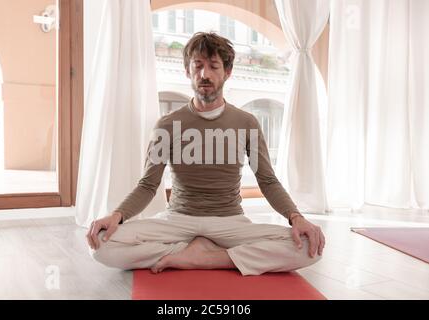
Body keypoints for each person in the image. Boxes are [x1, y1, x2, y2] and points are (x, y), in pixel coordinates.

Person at [86, 32, 325, 276]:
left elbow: (267, 180)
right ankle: (198, 250)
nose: (205, 74)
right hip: (178, 218)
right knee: (102, 244)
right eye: (198, 66)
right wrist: (117, 216)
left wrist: (296, 218)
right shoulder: (167, 124)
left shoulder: (247, 123)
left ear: (227, 72)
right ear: (188, 71)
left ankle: (206, 257)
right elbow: (148, 184)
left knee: (310, 246)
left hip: (229, 221)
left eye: (213, 66)